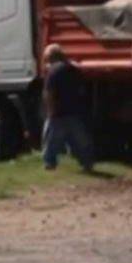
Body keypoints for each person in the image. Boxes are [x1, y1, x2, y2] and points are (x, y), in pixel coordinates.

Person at [41, 43, 94, 172]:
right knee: (79, 141)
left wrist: (50, 111)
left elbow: (49, 93)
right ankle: (86, 162)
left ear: (50, 58)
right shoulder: (73, 70)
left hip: (58, 113)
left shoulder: (52, 72)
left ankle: (50, 163)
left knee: (51, 140)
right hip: (74, 112)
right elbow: (82, 90)